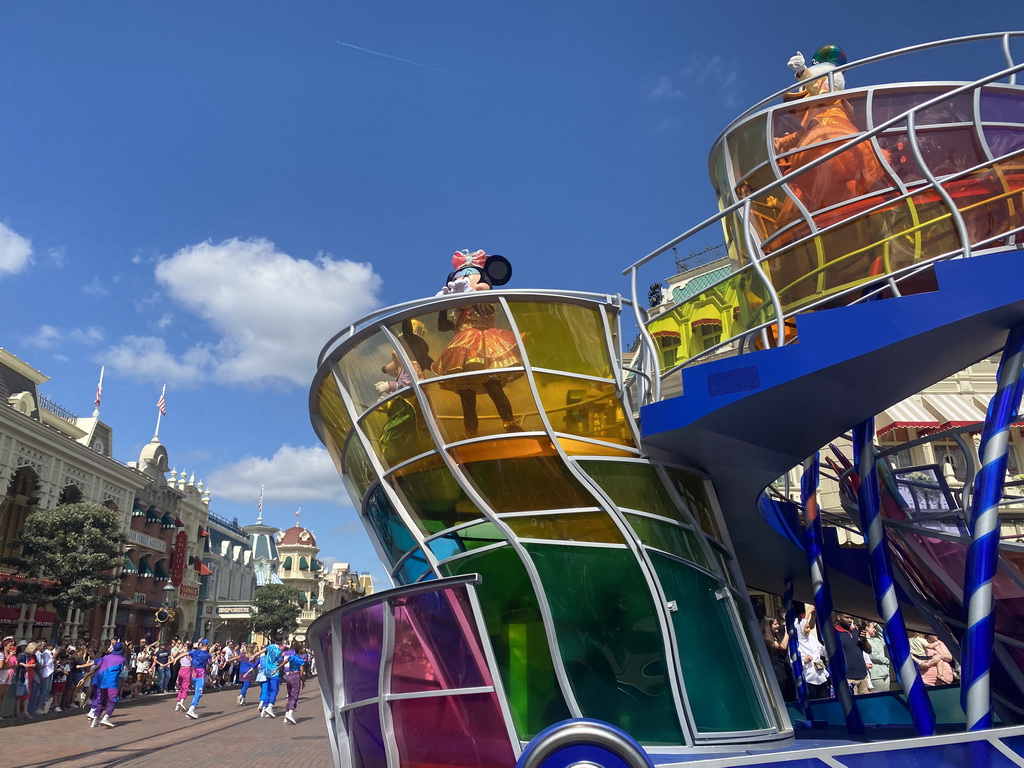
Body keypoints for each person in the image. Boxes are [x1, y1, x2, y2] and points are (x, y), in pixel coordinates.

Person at [433, 250, 523, 437]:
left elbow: (485, 309)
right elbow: (443, 326)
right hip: (461, 350)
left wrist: (472, 293)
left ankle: (509, 422)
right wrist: (442, 304)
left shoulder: (484, 304)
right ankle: (471, 432)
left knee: (492, 385)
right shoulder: (456, 314)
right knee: (467, 396)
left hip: (484, 344)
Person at [87, 641, 127, 728]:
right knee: (113, 701)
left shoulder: (105, 657)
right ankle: (105, 717)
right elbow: (122, 671)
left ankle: (95, 719)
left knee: (102, 700)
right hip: (112, 683)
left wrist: (85, 677)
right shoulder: (122, 659)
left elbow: (95, 668)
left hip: (102, 682)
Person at [797, 605, 830, 699]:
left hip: (820, 676)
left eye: (808, 628)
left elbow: (822, 651)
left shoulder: (812, 638)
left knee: (824, 700)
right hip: (808, 678)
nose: (808, 630)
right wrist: (805, 661)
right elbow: (793, 663)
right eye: (806, 628)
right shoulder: (796, 644)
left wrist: (827, 646)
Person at [761, 615, 795, 701]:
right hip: (777, 669)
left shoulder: (777, 636)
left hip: (785, 667)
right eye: (775, 624)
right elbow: (782, 646)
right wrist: (787, 633)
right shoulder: (766, 638)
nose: (778, 626)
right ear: (769, 626)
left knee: (791, 692)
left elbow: (784, 625)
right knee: (782, 693)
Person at [835, 614, 869, 694]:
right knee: (853, 704)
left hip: (863, 676)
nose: (850, 620)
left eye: (851, 618)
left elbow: (869, 651)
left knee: (866, 705)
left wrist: (864, 640)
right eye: (847, 617)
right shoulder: (834, 634)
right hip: (847, 678)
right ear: (838, 617)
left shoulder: (856, 632)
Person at [184, 638, 213, 718]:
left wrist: (175, 659)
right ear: (207, 645)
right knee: (198, 693)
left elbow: (185, 653)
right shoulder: (207, 655)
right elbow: (210, 663)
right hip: (200, 676)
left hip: (192, 674)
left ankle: (181, 702)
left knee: (187, 688)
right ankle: (191, 709)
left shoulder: (195, 651)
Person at [258, 640, 285, 718]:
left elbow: (262, 651)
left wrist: (254, 655)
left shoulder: (270, 647)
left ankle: (264, 709)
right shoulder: (278, 651)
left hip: (267, 672)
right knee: (274, 690)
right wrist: (280, 668)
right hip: (274, 672)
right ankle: (270, 706)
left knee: (268, 690)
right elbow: (280, 662)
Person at [282, 641, 306, 724]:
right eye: (303, 648)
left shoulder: (291, 657)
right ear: (299, 650)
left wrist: (276, 669)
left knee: (290, 697)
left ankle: (286, 715)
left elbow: (283, 663)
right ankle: (290, 712)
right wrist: (303, 681)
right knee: (294, 696)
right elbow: (302, 673)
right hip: (296, 677)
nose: (304, 649)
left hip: (289, 676)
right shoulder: (300, 660)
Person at [863, 622, 891, 691]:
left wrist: (877, 626)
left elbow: (884, 637)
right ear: (866, 628)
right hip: (875, 676)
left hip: (885, 673)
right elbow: (872, 655)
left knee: (886, 697)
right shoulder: (864, 641)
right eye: (873, 628)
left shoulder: (877, 640)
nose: (875, 630)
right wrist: (885, 660)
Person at [29, 638, 54, 715]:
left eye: (45, 646)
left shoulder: (42, 654)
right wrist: (40, 676)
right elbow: (38, 667)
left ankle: (35, 708)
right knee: (33, 694)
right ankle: (32, 709)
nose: (44, 648)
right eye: (43, 646)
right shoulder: (37, 654)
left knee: (38, 693)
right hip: (36, 677)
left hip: (40, 676)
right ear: (38, 646)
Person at [15, 640, 36, 718]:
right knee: (20, 693)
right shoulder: (22, 655)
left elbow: (37, 664)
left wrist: (32, 665)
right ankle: (17, 711)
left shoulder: (33, 656)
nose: (36, 651)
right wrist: (24, 664)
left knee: (27, 694)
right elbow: (17, 662)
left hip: (30, 676)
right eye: (35, 649)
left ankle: (25, 711)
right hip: (23, 675)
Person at [171, 641, 193, 712]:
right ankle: (181, 701)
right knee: (184, 687)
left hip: (182, 670)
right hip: (186, 670)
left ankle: (177, 705)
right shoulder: (184, 652)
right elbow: (174, 655)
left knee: (181, 687)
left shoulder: (189, 653)